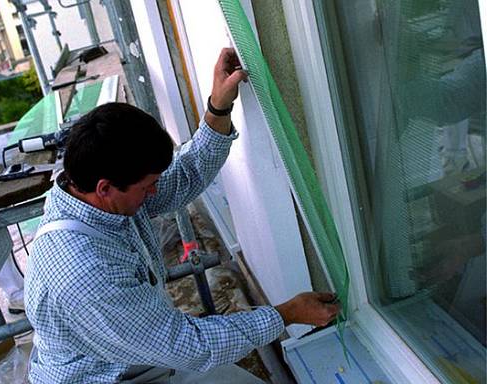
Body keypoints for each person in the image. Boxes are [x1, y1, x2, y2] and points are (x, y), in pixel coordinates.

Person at [25, 48, 341, 383]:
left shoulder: (92, 194)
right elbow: (190, 345)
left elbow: (182, 177)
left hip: (133, 355)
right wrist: (286, 314)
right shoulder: (84, 275)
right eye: (149, 185)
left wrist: (218, 107)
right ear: (105, 188)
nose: (154, 193)